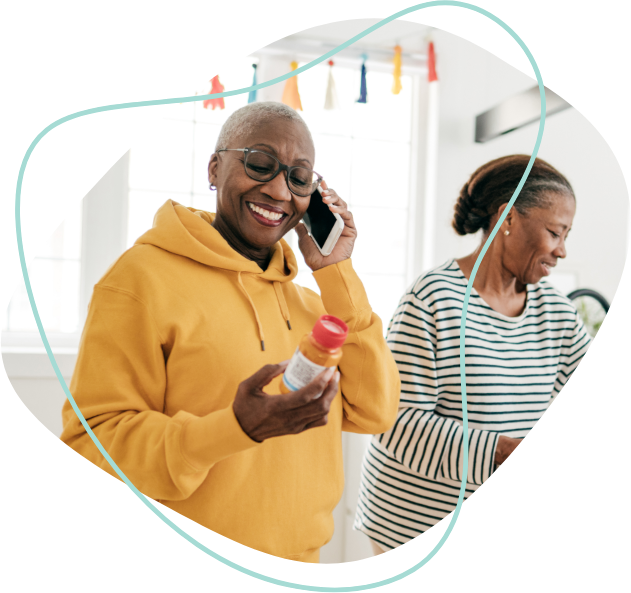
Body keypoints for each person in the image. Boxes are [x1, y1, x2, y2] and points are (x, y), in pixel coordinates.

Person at [60, 101, 400, 563]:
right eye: (260, 164)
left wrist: (336, 271)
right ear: (215, 168)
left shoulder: (315, 305)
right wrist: (233, 429)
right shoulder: (139, 280)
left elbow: (376, 412)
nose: (279, 190)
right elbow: (92, 443)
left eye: (299, 178)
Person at [353, 155, 592, 555]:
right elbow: (392, 423)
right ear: (508, 218)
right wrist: (500, 452)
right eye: (555, 232)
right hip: (412, 524)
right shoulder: (433, 299)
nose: (562, 250)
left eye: (566, 235)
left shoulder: (554, 308)